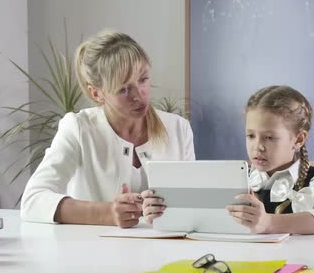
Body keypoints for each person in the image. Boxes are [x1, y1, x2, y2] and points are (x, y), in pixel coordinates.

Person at [20, 29, 195, 227]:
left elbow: (195, 207)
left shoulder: (179, 128)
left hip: (169, 253)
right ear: (96, 93)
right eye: (123, 89)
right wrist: (108, 213)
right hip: (96, 253)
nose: (139, 95)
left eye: (143, 79)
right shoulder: (78, 128)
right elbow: (33, 201)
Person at [227, 85, 314, 234]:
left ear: (299, 139)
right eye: (251, 136)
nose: (258, 147)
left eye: (270, 137)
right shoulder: (236, 179)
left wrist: (269, 223)